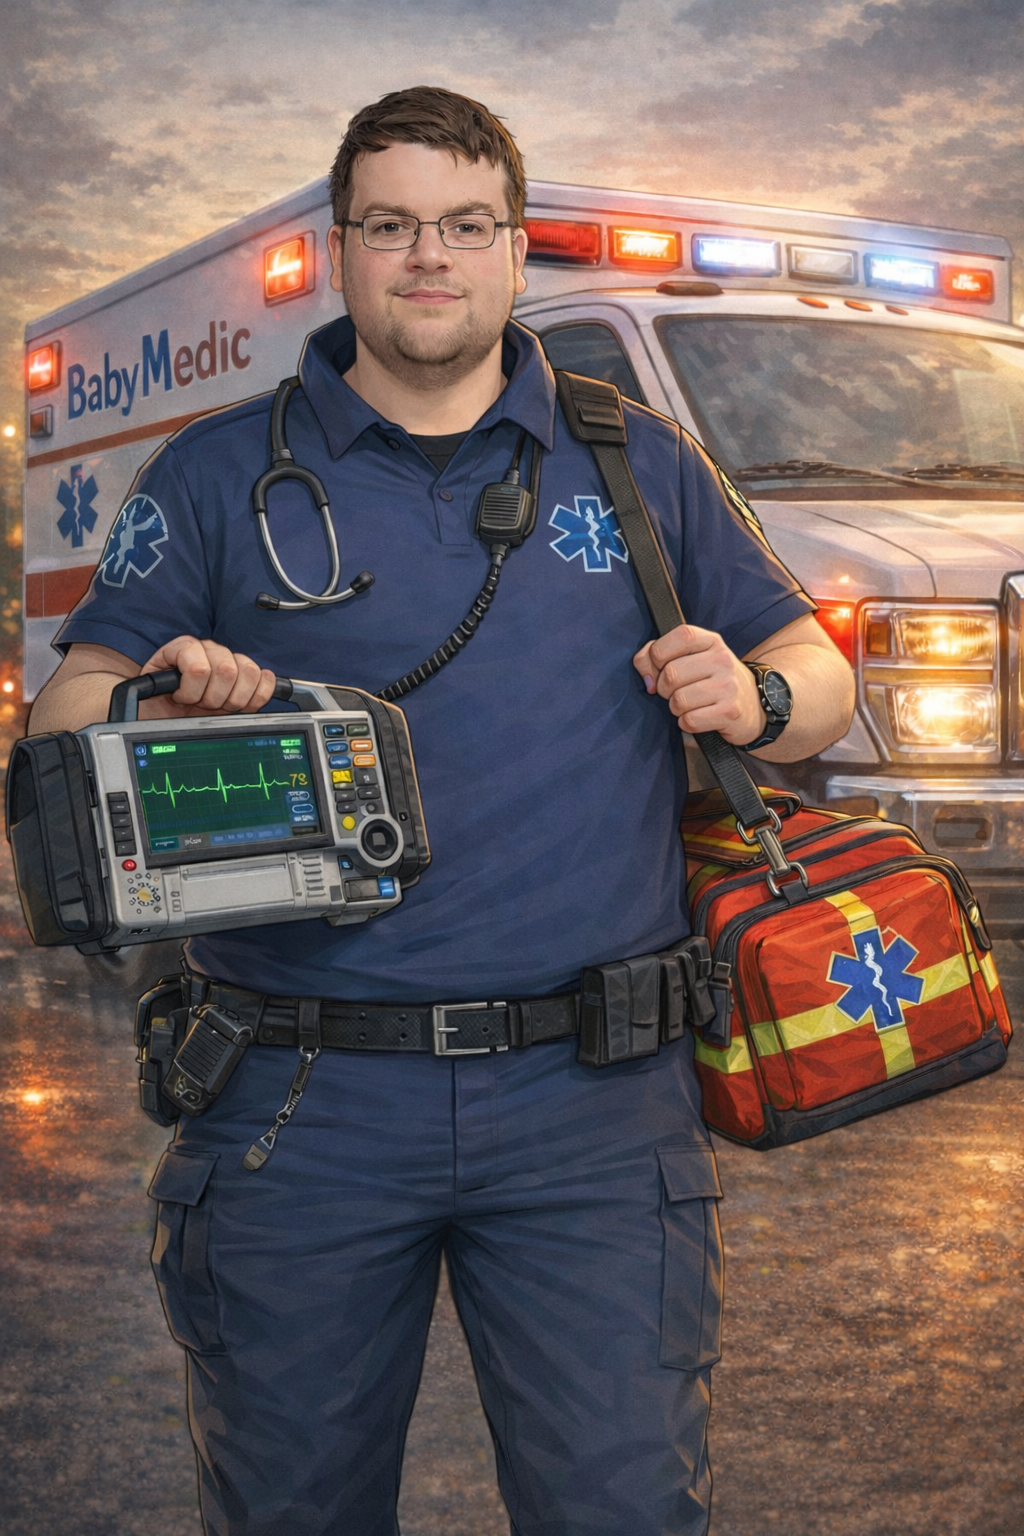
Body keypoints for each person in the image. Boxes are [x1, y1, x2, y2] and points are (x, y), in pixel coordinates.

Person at [31, 86, 855, 1536]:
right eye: (393, 225)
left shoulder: (639, 461)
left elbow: (816, 672)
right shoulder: (218, 476)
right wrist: (150, 706)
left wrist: (760, 699)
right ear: (342, 251)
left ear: (515, 249)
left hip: (594, 1112)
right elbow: (63, 715)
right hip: (299, 1105)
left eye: (466, 226)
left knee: (626, 1513)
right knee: (291, 1511)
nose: (431, 256)